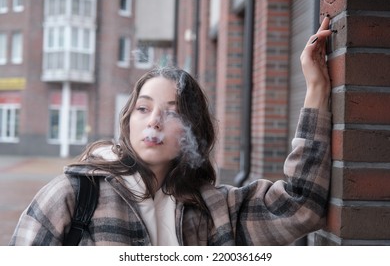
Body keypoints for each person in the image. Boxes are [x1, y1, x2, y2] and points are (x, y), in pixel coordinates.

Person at [9, 17, 333, 246]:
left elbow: (302, 207)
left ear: (193, 130)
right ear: (129, 120)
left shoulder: (215, 210)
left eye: (172, 111)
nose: (154, 121)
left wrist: (316, 86)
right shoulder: (74, 195)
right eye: (144, 108)